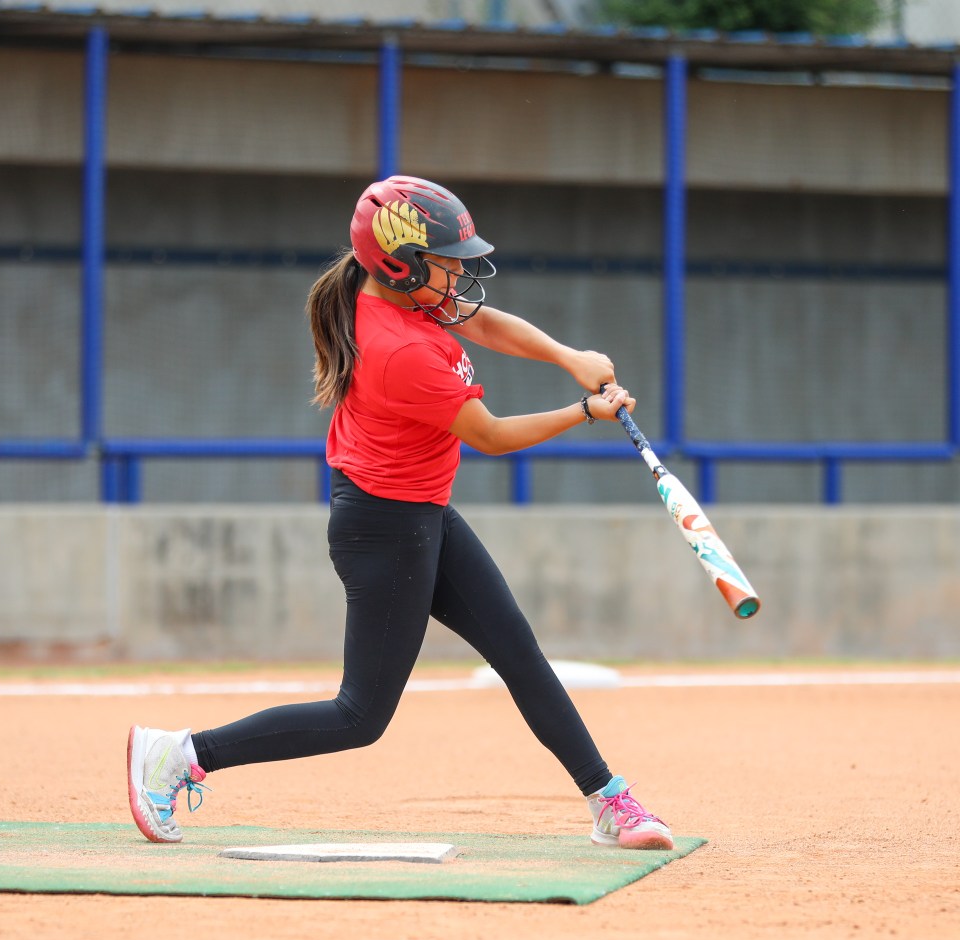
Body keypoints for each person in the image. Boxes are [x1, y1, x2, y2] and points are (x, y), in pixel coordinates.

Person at [127, 175, 674, 851]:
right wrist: (585, 410)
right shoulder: (402, 351)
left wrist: (571, 357)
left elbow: (481, 320)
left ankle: (610, 801)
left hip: (421, 515)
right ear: (402, 264)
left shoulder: (394, 293)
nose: (460, 272)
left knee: (519, 654)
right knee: (359, 716)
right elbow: (493, 436)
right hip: (384, 532)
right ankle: (178, 754)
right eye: (447, 260)